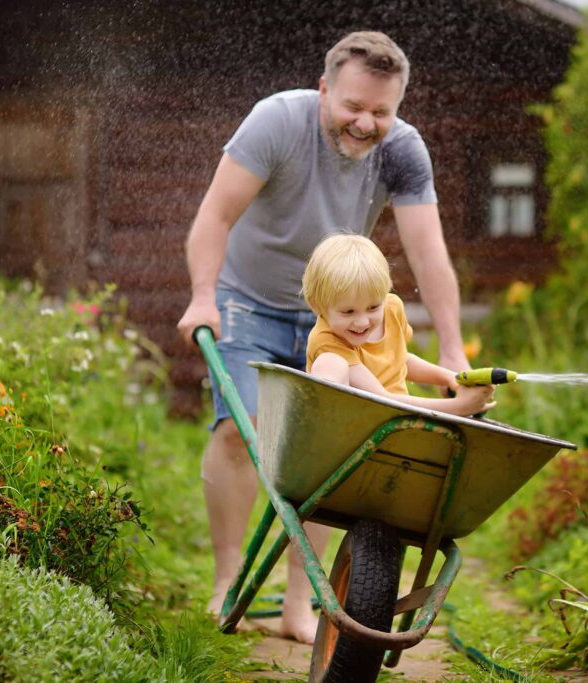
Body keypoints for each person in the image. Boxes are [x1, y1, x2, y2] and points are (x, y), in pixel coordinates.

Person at [175, 31, 471, 644]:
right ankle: (227, 581)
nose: (366, 123)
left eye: (381, 112)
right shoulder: (276, 123)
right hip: (246, 299)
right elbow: (214, 217)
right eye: (353, 106)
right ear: (323, 90)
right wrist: (204, 295)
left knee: (328, 455)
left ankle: (297, 605)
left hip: (336, 319)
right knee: (238, 430)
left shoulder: (404, 152)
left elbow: (429, 253)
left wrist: (452, 350)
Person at [303, 233, 495, 415]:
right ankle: (325, 425)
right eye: (348, 312)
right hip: (359, 426)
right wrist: (458, 407)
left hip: (396, 423)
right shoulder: (326, 340)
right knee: (330, 364)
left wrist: (449, 378)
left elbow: (400, 359)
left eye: (373, 307)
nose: (362, 321)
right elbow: (381, 399)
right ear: (317, 305)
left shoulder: (392, 308)